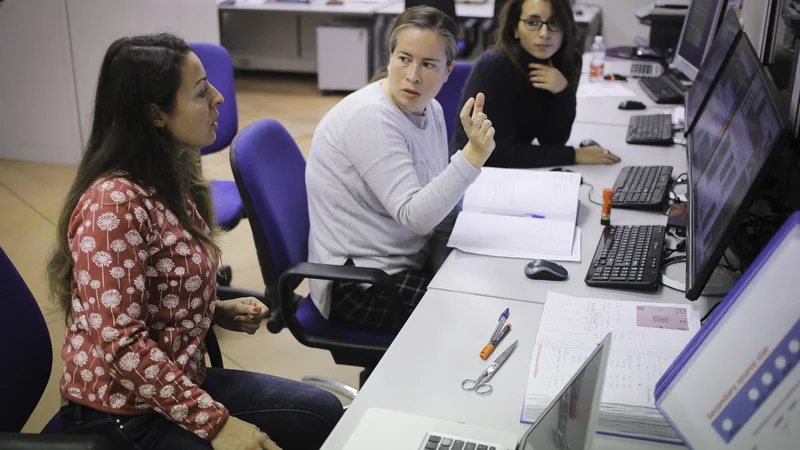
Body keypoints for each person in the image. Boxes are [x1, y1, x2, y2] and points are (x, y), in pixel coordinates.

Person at [47, 33, 343, 450]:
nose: (219, 98)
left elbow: (157, 286)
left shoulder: (165, 175)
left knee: (321, 412)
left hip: (175, 384)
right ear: (156, 114)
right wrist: (218, 425)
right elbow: (120, 346)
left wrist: (211, 308)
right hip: (122, 415)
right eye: (202, 92)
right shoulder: (112, 206)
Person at [305, 6, 497, 333]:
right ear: (390, 57)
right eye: (404, 58)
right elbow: (416, 216)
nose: (413, 76)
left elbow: (435, 199)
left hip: (403, 259)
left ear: (449, 70)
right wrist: (471, 157)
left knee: (485, 286)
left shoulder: (431, 109)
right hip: (358, 281)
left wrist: (445, 261)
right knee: (467, 321)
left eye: (429, 64)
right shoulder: (371, 118)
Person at [451, 0, 621, 168]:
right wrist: (574, 155)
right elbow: (497, 153)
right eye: (533, 22)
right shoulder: (494, 66)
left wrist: (563, 92)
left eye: (554, 23)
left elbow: (553, 140)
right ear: (515, 29)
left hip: (514, 168)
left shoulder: (568, 61)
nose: (544, 33)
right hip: (471, 172)